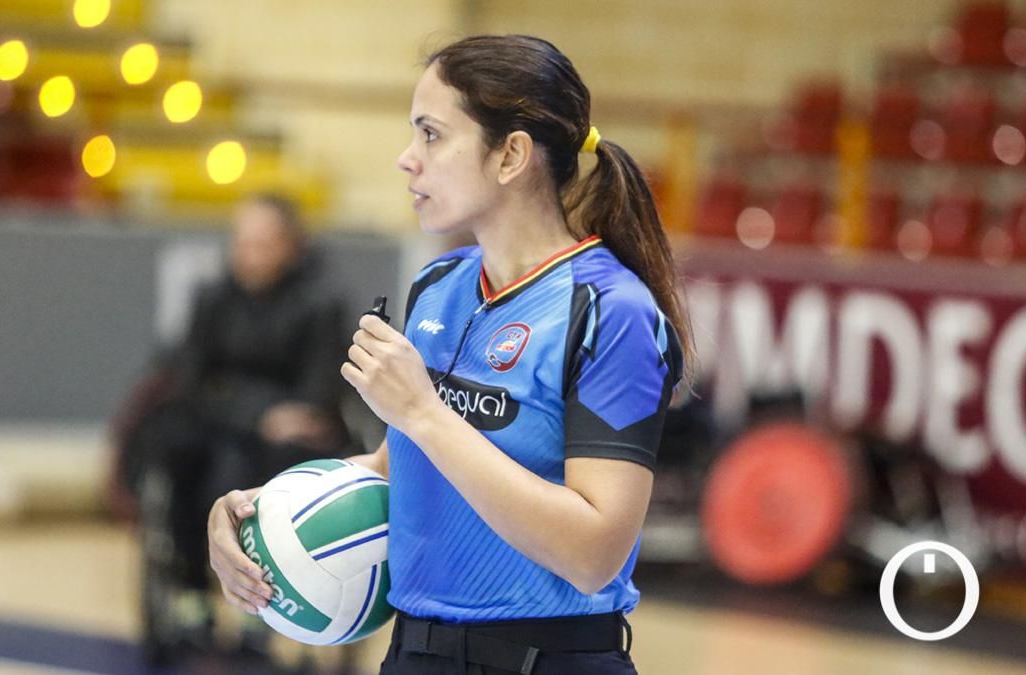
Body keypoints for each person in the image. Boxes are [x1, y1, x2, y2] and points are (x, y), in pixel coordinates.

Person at [208, 35, 692, 675]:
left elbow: (593, 553)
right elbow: (396, 469)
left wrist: (424, 413)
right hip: (415, 654)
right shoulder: (441, 284)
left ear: (511, 155)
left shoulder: (610, 309)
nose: (407, 159)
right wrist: (253, 513)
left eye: (431, 134)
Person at [128, 193, 349, 666]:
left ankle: (259, 607)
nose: (251, 256)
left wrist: (255, 410)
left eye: (263, 244)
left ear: (291, 246)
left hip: (283, 444)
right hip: (217, 427)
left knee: (261, 464)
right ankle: (192, 596)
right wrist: (257, 413)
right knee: (179, 453)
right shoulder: (213, 298)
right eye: (242, 243)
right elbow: (189, 381)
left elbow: (317, 394)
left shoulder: (320, 304)